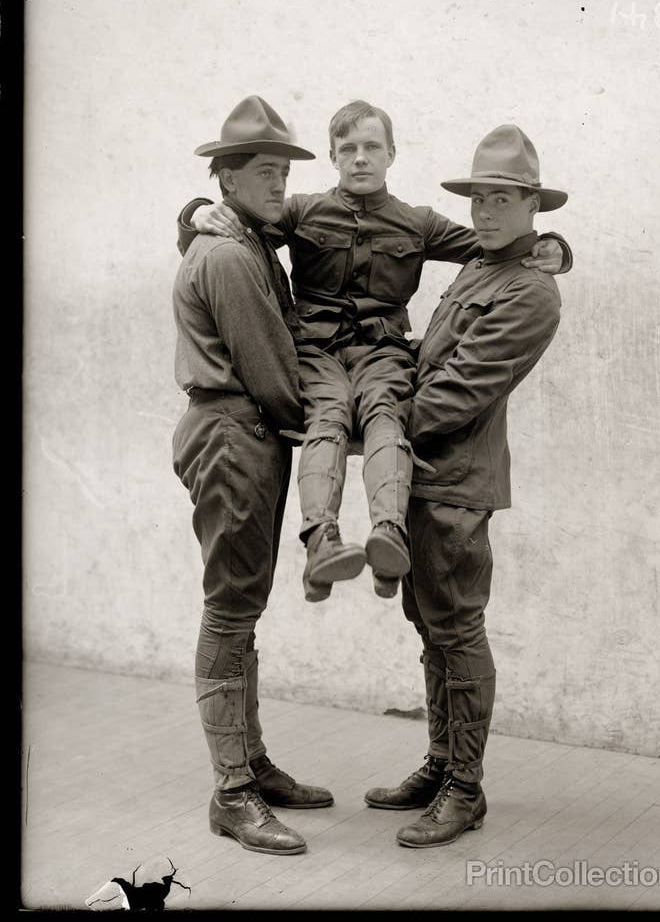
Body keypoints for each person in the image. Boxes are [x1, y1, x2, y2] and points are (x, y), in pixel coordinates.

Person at [177, 101, 573, 603]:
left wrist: (555, 245)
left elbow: (494, 242)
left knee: (388, 417)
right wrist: (193, 212)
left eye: (371, 148)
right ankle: (322, 540)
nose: (360, 158)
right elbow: (241, 225)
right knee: (327, 419)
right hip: (317, 354)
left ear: (391, 154)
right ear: (332, 157)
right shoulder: (300, 212)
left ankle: (390, 536)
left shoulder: (419, 223)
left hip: (384, 354)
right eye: (348, 149)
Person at [364, 124, 568, 848]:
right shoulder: (478, 267)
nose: (484, 211)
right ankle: (440, 761)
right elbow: (429, 358)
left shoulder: (531, 292)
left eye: (502, 197)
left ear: (533, 204)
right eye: (478, 196)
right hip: (420, 477)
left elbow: (458, 391)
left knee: (457, 627)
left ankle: (466, 789)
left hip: (457, 484)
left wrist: (379, 427)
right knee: (427, 624)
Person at [171, 95, 334, 857]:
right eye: (266, 172)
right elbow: (272, 373)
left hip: (247, 435)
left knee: (243, 606)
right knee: (230, 611)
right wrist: (338, 429)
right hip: (236, 432)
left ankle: (252, 764)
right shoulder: (232, 254)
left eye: (284, 171)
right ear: (228, 178)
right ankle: (231, 792)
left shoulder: (243, 235)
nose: (280, 184)